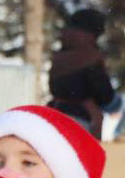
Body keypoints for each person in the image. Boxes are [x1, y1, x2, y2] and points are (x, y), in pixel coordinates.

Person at [48, 8, 116, 138]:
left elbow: (54, 87)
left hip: (54, 114)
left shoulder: (62, 53)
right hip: (81, 119)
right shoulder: (90, 56)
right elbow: (104, 95)